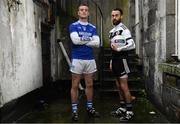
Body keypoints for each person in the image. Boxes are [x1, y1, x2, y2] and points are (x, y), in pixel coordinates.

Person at [69, 3, 100, 121]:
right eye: (81, 10)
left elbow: (97, 43)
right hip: (77, 59)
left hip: (90, 59)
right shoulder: (73, 25)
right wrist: (90, 39)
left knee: (90, 84)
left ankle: (90, 108)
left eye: (86, 10)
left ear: (88, 13)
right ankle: (75, 111)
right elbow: (75, 41)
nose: (83, 12)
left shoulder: (93, 27)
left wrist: (82, 40)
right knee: (75, 85)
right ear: (78, 12)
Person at [109, 8, 135, 121]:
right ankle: (122, 108)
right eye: (113, 15)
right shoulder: (111, 32)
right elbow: (112, 48)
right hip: (114, 60)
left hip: (122, 59)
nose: (114, 17)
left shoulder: (124, 29)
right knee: (118, 85)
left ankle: (129, 111)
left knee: (124, 86)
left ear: (121, 16)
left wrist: (120, 49)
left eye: (116, 15)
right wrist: (111, 60)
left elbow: (132, 44)